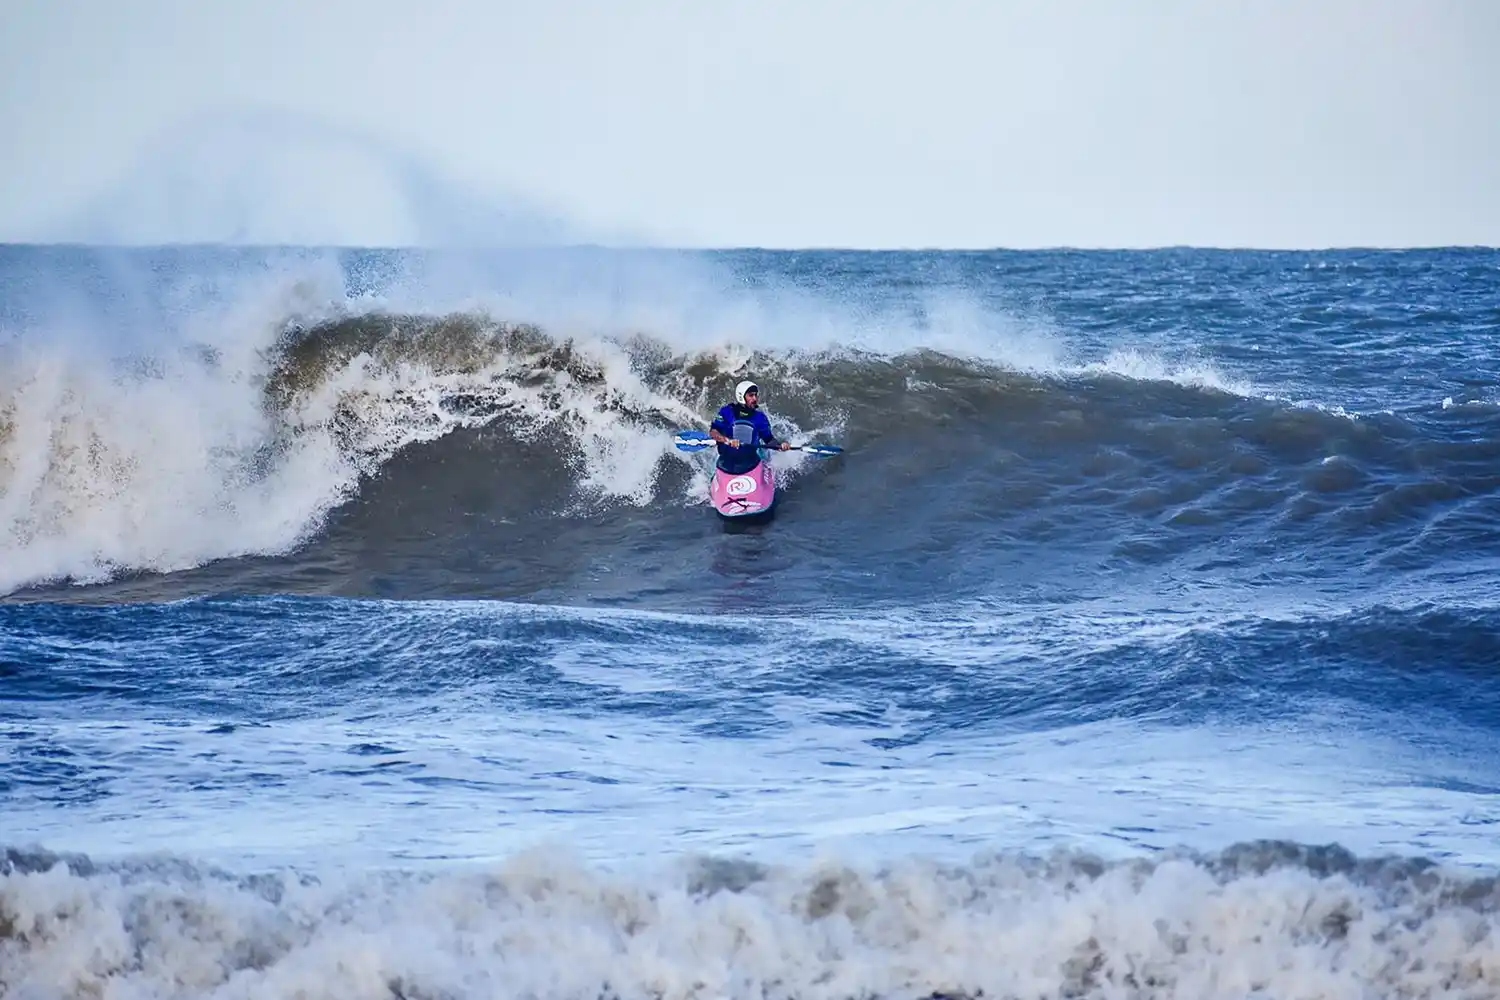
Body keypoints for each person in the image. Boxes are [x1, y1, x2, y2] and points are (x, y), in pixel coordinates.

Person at [709, 380, 791, 475]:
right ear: (741, 397)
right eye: (751, 395)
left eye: (756, 395)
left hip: (750, 464)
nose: (755, 398)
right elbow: (713, 432)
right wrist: (728, 440)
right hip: (725, 463)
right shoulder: (726, 412)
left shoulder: (760, 418)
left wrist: (780, 446)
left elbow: (769, 439)